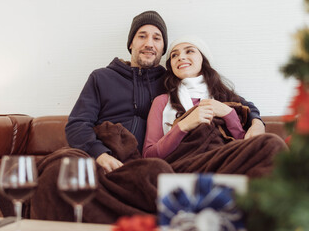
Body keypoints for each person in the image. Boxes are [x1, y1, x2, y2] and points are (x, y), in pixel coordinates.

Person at [65, 11, 264, 174]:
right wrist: (100, 154)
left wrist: (256, 121)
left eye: (157, 38)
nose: (149, 43)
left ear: (162, 50)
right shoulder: (101, 78)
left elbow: (238, 105)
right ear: (130, 44)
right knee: (61, 167)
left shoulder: (172, 81)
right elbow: (77, 124)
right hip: (106, 154)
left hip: (149, 167)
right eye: (142, 36)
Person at [142, 35, 280, 160]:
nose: (181, 57)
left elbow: (242, 145)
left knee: (272, 144)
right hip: (185, 164)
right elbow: (149, 155)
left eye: (189, 51)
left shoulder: (224, 96)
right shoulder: (162, 101)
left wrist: (229, 114)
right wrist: (184, 125)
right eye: (174, 55)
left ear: (203, 58)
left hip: (225, 161)